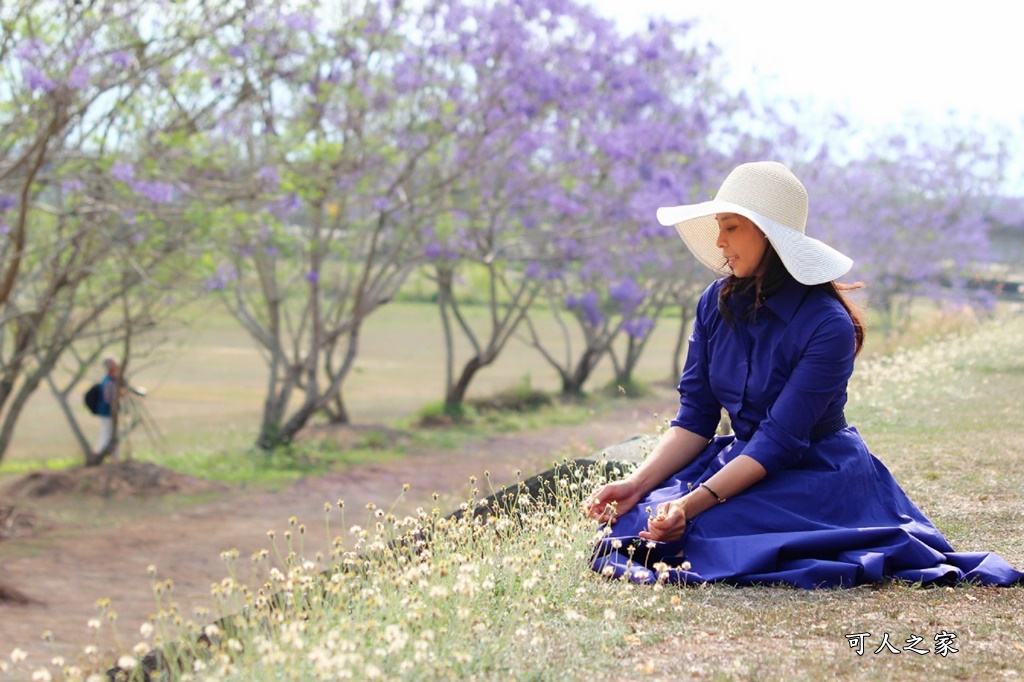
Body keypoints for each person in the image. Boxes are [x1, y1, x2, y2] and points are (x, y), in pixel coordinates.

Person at [584, 161, 1023, 588]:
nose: (719, 241)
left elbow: (778, 442)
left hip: (815, 473)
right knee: (639, 517)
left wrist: (689, 504)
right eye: (719, 226)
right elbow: (696, 416)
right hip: (741, 460)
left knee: (699, 531)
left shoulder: (828, 325)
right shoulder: (714, 304)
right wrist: (637, 483)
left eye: (731, 226)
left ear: (769, 235)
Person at [94, 356, 120, 457]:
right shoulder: (108, 381)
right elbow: (108, 399)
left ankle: (113, 456)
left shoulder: (113, 380)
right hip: (107, 412)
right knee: (107, 434)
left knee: (111, 434)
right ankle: (99, 454)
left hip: (109, 412)